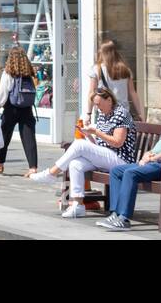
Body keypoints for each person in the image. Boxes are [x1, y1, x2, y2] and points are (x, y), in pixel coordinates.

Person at [98, 81, 161, 232]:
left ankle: (124, 218)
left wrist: (154, 157)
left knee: (130, 173)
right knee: (117, 171)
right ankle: (115, 214)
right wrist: (148, 154)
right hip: (160, 163)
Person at [32, 88, 139, 218]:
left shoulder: (121, 113)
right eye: (95, 104)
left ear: (109, 100)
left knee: (79, 144)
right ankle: (78, 205)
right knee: (75, 163)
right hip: (106, 157)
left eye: (99, 104)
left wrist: (96, 132)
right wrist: (88, 135)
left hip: (121, 160)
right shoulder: (102, 114)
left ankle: (51, 173)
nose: (97, 107)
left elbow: (117, 142)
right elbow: (98, 145)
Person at [0, 46, 38, 176]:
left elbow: (3, 91)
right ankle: (32, 167)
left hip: (12, 107)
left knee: (5, 135)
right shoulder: (28, 73)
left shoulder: (9, 72)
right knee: (29, 137)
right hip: (27, 107)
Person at [87, 39, 142, 124]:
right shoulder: (125, 70)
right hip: (123, 112)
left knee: (105, 136)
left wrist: (89, 113)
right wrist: (140, 113)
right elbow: (132, 93)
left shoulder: (96, 69)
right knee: (122, 136)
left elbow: (91, 92)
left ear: (102, 52)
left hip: (104, 112)